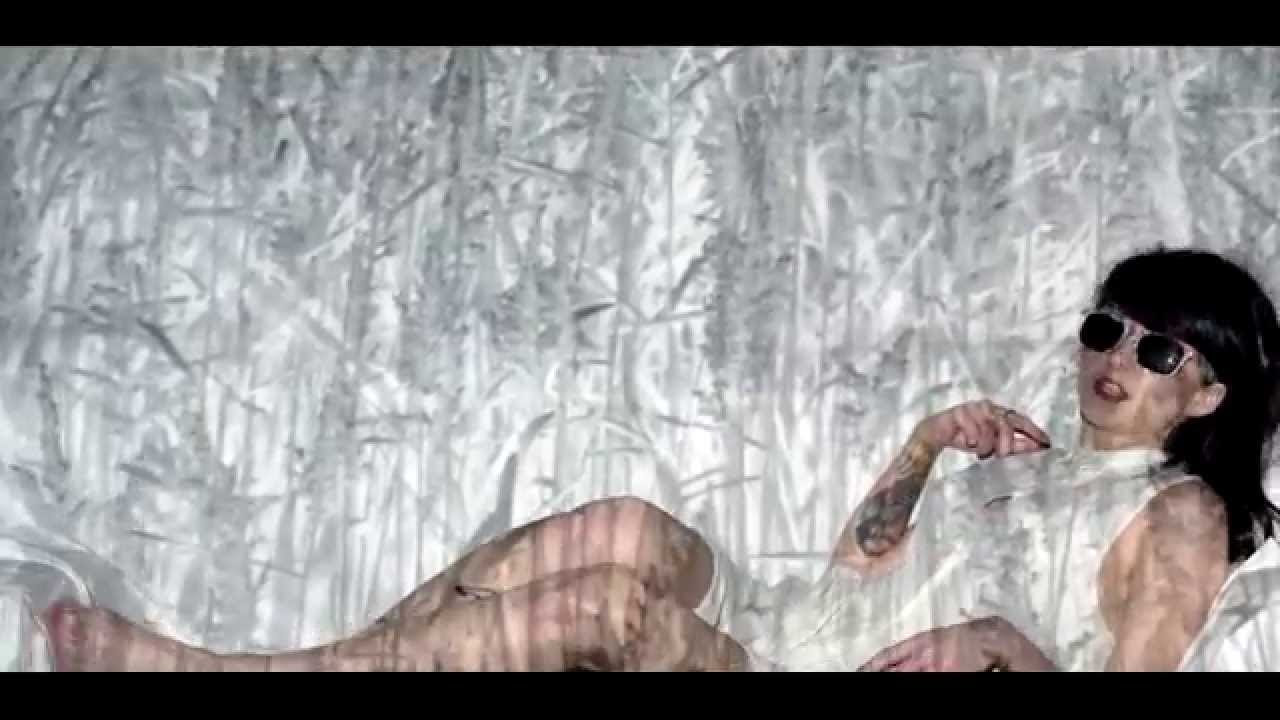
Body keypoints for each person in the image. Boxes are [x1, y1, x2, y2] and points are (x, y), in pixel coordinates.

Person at [35, 246, 1280, 672]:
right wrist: (920, 447)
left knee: (608, 604)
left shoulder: (1179, 512)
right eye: (1104, 328)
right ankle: (298, 667)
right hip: (795, 627)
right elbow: (857, 569)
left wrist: (1007, 645)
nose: (1114, 355)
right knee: (621, 522)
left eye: (1157, 347)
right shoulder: (1019, 461)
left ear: (1209, 391)